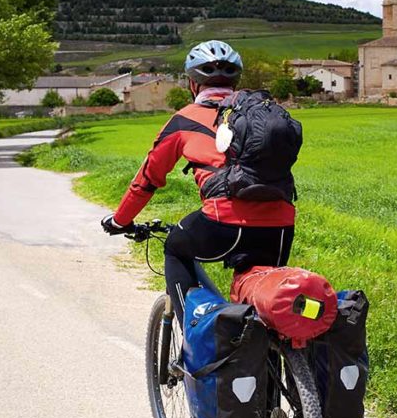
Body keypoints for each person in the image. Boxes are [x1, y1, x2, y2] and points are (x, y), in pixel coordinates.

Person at [100, 40, 295, 320]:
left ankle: (190, 340)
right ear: (235, 81)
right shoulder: (261, 115)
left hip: (222, 223)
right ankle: (273, 359)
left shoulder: (183, 121)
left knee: (176, 248)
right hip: (280, 225)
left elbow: (147, 180)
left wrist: (120, 220)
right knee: (265, 306)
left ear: (193, 84)